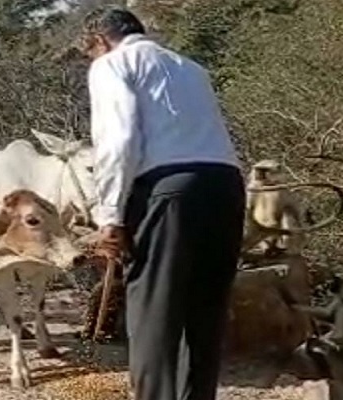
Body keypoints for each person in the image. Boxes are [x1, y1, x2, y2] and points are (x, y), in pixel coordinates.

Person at [78, 7, 245, 400]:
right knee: (205, 313)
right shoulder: (192, 69)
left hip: (168, 191)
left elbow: (118, 141)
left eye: (90, 52)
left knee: (154, 315)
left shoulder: (111, 64)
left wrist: (109, 216)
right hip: (225, 185)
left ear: (100, 41)